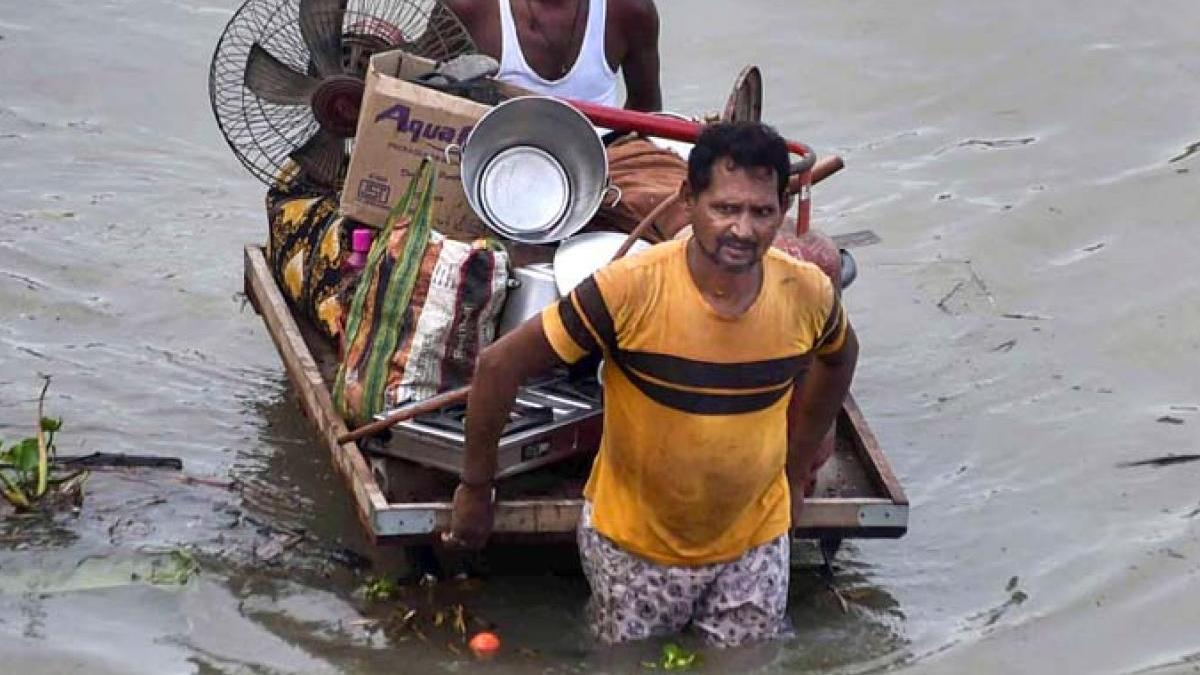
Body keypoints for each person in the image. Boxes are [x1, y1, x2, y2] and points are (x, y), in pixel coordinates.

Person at [444, 122, 859, 647]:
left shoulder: (806, 293)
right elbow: (499, 367)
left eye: (761, 212)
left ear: (782, 210)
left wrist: (795, 474)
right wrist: (476, 487)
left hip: (754, 545)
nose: (742, 230)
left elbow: (839, 361)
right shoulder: (629, 289)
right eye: (725, 209)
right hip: (633, 551)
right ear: (688, 200)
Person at [439, 0, 662, 110]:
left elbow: (647, 115)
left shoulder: (630, 10)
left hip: (601, 165)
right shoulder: (468, 8)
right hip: (496, 164)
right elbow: (426, 90)